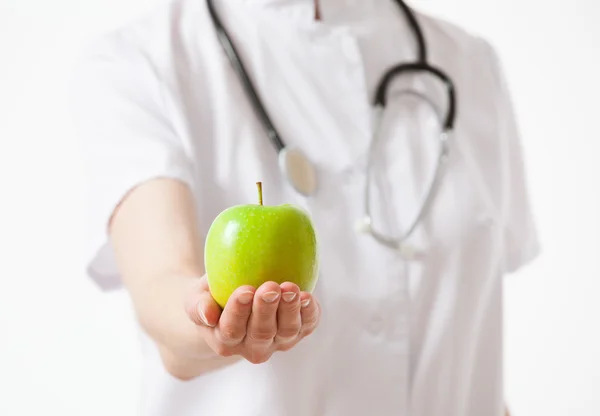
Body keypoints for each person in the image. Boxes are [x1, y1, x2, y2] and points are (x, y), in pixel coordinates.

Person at [69, 0, 540, 415]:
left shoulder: (470, 63)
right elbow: (163, 291)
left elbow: (473, 344)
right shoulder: (140, 60)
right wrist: (213, 324)